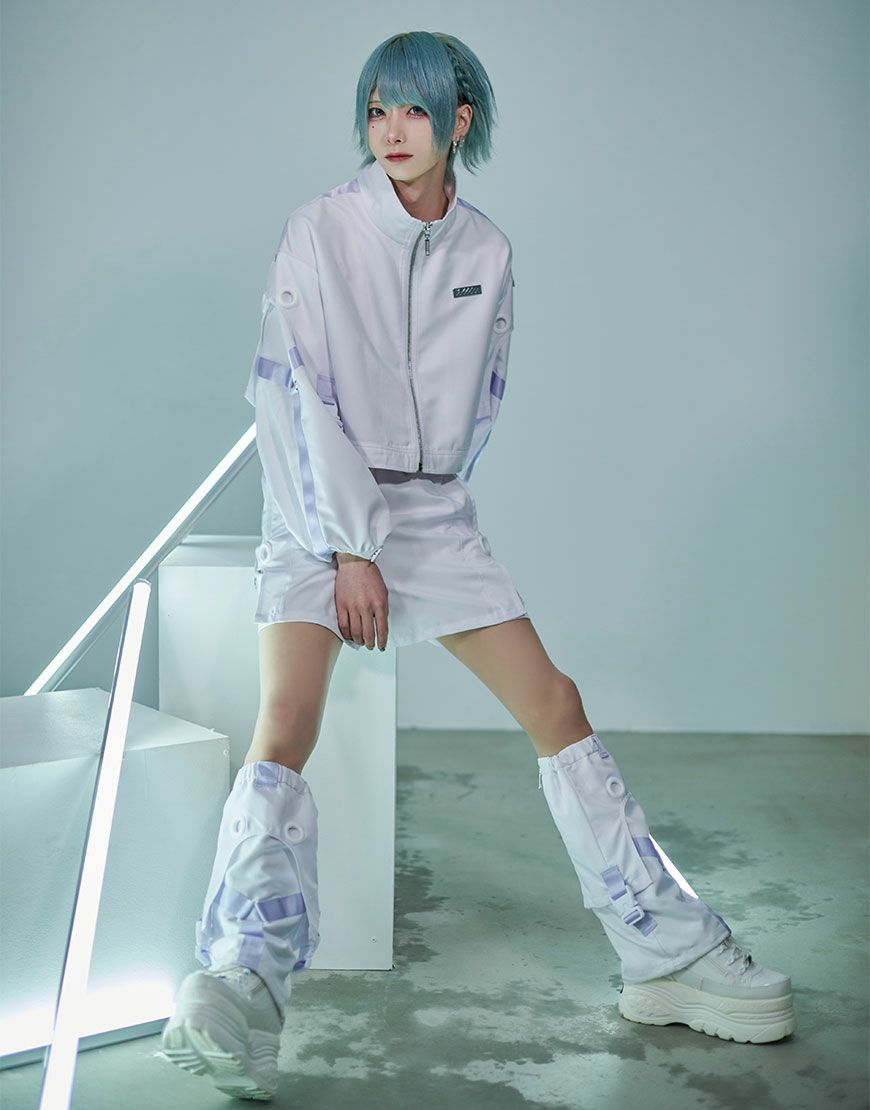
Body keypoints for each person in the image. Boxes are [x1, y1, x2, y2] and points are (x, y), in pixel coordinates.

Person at [160, 30, 795, 1100]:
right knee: (289, 722)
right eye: (376, 109)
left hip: (431, 508)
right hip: (318, 507)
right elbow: (293, 393)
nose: (391, 130)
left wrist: (422, 514)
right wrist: (352, 543)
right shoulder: (319, 230)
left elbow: (478, 401)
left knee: (555, 703)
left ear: (459, 121)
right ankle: (240, 988)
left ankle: (669, 954)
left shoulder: (488, 252)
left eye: (413, 109)